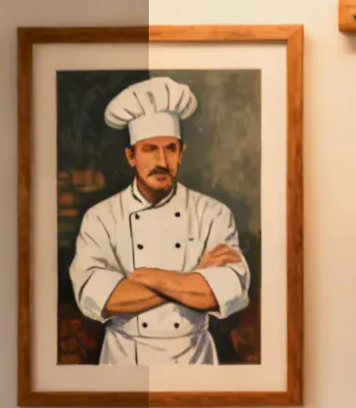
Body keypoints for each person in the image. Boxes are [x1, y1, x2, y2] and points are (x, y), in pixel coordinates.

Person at [68, 76, 251, 365]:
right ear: (131, 156)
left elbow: (225, 291)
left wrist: (145, 277)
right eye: (150, 149)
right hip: (123, 359)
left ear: (182, 153)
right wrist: (192, 277)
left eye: (171, 148)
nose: (162, 162)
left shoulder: (214, 213)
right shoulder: (101, 218)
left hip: (195, 359)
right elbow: (102, 299)